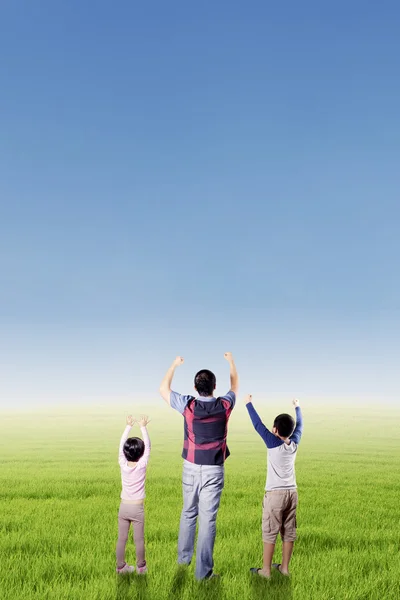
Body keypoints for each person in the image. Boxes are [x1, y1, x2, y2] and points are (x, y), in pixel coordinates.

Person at [159, 353, 239, 580]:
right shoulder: (225, 405)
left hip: (191, 467)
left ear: (195, 387)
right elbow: (235, 385)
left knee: (188, 512)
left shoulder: (188, 405)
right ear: (215, 387)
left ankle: (183, 559)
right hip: (214, 469)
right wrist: (231, 362)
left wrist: (174, 364)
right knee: (208, 520)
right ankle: (203, 573)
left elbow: (163, 389)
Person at [245, 395, 303, 578]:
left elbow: (257, 425)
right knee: (288, 532)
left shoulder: (272, 442)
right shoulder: (294, 443)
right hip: (292, 493)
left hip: (275, 495)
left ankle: (266, 571)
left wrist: (248, 403)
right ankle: (284, 569)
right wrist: (297, 407)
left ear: (275, 429)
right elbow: (300, 425)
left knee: (270, 532)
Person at [115, 414, 151, 575]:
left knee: (121, 539)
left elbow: (121, 445)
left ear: (125, 453)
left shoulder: (123, 464)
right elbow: (148, 447)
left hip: (123, 507)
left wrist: (128, 426)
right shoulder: (142, 465)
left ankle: (121, 567)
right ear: (142, 453)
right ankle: (141, 567)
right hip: (137, 508)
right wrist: (143, 427)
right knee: (139, 540)